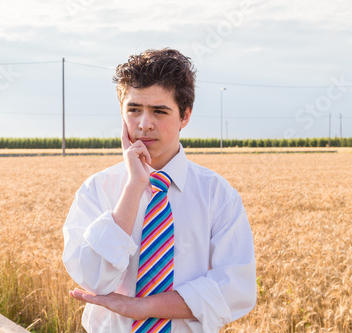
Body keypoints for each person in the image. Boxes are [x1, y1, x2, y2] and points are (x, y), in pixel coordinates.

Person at [62, 48, 256, 332]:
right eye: (134, 110)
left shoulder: (217, 194)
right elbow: (93, 278)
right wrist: (134, 186)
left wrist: (144, 307)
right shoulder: (97, 189)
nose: (144, 124)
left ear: (185, 116)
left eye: (159, 111)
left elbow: (236, 289)